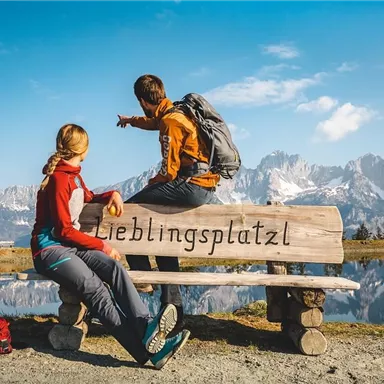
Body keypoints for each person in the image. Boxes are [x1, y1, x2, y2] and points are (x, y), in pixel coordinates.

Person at [30, 123, 190, 369]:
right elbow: (63, 230)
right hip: (51, 250)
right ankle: (147, 353)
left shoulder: (73, 175)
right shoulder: (60, 180)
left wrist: (111, 194)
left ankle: (147, 328)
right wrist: (102, 246)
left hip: (68, 246)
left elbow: (87, 196)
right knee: (96, 289)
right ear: (83, 149)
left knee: (114, 269)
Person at [117, 74, 220, 334]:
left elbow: (169, 171)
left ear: (142, 100)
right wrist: (131, 121)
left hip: (192, 187)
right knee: (162, 237)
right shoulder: (175, 112)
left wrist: (154, 182)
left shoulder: (171, 123)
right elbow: (154, 122)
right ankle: (174, 312)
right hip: (203, 184)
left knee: (128, 211)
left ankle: (143, 278)